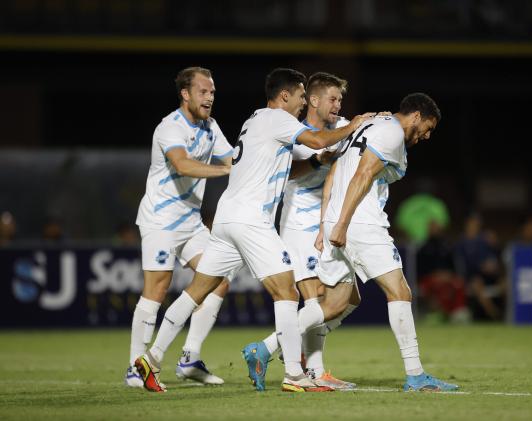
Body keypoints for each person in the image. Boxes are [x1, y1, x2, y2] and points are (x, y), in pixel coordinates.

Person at [134, 68, 373, 393]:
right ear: (285, 96)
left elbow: (289, 170)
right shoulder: (279, 119)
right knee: (286, 292)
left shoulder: (255, 120)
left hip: (226, 217)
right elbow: (317, 139)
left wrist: (319, 162)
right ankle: (294, 375)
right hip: (250, 219)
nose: (304, 103)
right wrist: (354, 124)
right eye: (302, 96)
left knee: (196, 291)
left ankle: (153, 357)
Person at [299, 92, 459, 391]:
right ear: (416, 116)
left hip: (340, 218)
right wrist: (342, 223)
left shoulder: (373, 125)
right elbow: (362, 174)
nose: (427, 135)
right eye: (428, 127)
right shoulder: (392, 132)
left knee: (337, 301)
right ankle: (415, 375)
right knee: (400, 291)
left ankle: (267, 347)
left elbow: (336, 172)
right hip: (359, 221)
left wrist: (328, 222)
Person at [244, 72, 358, 390]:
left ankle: (273, 348)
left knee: (349, 298)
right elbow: (289, 173)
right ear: (315, 101)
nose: (338, 105)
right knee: (317, 300)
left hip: (328, 223)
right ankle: (310, 368)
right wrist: (321, 161)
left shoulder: (342, 127)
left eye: (341, 100)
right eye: (332, 99)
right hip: (297, 223)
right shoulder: (295, 132)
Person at [127, 67, 233, 389]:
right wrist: (224, 170)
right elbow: (182, 164)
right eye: (203, 91)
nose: (209, 97)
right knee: (157, 289)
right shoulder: (169, 127)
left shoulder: (211, 127)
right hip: (160, 220)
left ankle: (189, 358)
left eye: (212, 92)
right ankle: (135, 366)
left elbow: (233, 160)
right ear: (185, 94)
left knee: (219, 279)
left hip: (190, 221)